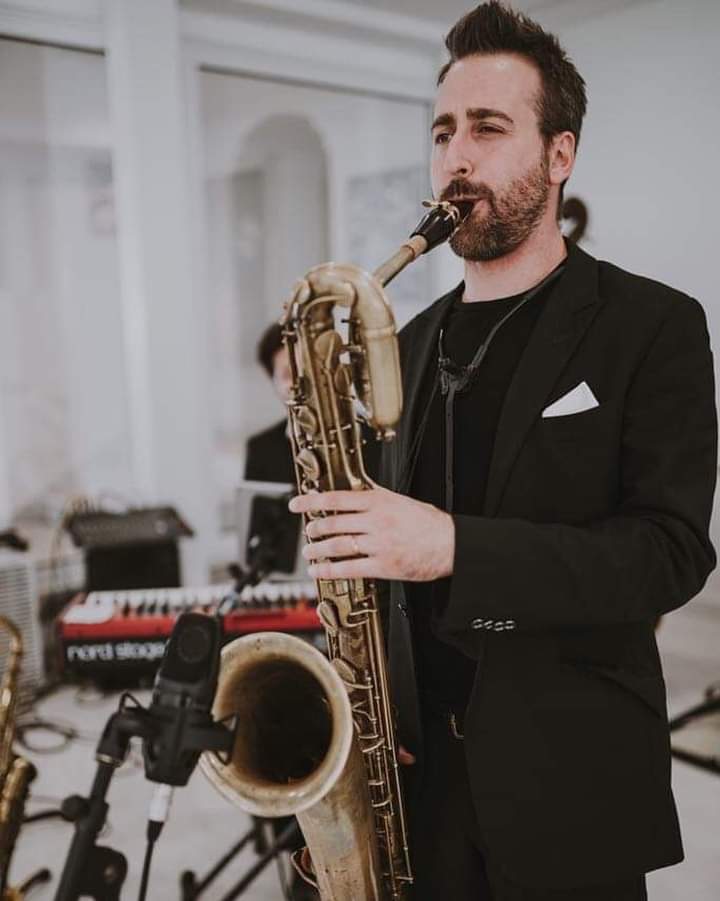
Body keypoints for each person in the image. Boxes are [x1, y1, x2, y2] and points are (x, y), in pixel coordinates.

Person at [289, 3, 717, 899]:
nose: (458, 157)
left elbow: (668, 554)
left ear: (560, 155)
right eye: (443, 131)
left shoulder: (654, 325)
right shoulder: (404, 342)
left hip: (571, 779)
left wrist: (452, 546)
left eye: (488, 128)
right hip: (416, 780)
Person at [244, 322, 296, 484]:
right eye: (288, 375)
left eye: (308, 370)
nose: (300, 383)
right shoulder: (260, 449)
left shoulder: (365, 435)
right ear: (273, 382)